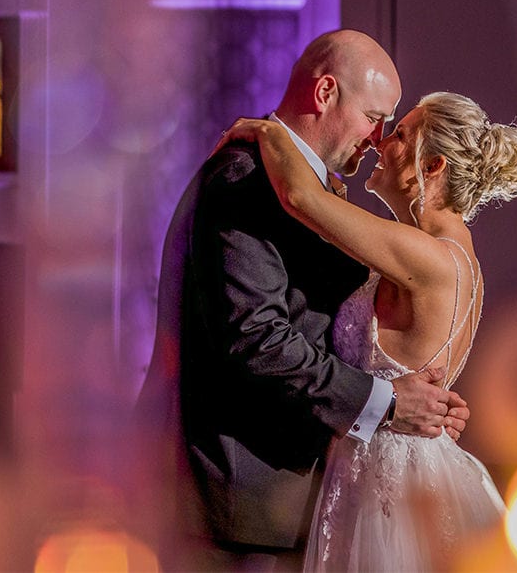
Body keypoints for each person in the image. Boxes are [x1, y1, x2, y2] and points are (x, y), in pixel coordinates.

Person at [135, 30, 469, 571]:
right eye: (373, 117)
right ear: (325, 94)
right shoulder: (244, 179)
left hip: (290, 498)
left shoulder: (309, 189)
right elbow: (258, 337)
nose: (378, 138)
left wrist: (423, 397)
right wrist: (387, 402)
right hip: (236, 500)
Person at [216, 90, 517, 571]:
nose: (380, 140)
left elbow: (301, 197)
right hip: (394, 457)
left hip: (386, 479)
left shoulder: (428, 256)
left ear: (431, 168)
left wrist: (268, 130)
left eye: (401, 134)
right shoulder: (451, 255)